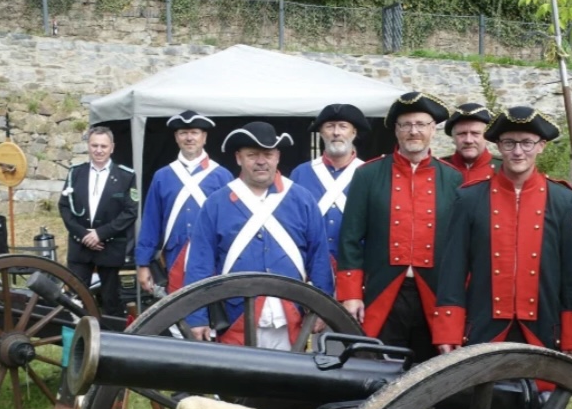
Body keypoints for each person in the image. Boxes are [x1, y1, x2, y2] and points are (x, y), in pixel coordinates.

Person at [432, 106, 572, 409]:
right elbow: (453, 267)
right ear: (499, 147)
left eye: (526, 143)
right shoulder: (470, 198)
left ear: (541, 147)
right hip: (487, 324)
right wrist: (448, 328)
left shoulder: (564, 199)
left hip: (543, 327)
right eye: (509, 143)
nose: (518, 151)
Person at [337, 91, 462, 362]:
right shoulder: (368, 175)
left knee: (430, 372)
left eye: (420, 125)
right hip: (382, 290)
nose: (413, 132)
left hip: (434, 293)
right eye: (406, 125)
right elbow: (350, 237)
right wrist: (351, 294)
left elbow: (461, 247)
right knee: (376, 369)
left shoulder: (453, 179)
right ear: (396, 130)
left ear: (433, 129)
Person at [184, 122, 333, 349]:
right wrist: (197, 316)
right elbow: (200, 263)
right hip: (236, 316)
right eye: (252, 155)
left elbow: (319, 258)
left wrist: (323, 309)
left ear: (277, 157)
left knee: (290, 381)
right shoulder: (216, 203)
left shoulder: (302, 199)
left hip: (291, 313)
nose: (261, 161)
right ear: (238, 158)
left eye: (268, 154)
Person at [135, 110, 233, 295]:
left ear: (204, 137)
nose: (189, 138)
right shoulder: (162, 177)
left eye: (194, 132)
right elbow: (151, 223)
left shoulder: (222, 176)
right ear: (176, 138)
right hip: (174, 257)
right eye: (183, 133)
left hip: (212, 256)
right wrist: (143, 264)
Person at [58, 126, 138, 318]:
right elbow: (64, 207)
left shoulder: (126, 176)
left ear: (112, 148)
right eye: (94, 145)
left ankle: (114, 342)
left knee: (111, 300)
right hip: (80, 246)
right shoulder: (75, 173)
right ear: (88, 146)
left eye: (103, 146)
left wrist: (100, 234)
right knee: (74, 298)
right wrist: (83, 234)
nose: (99, 150)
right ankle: (77, 339)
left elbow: (130, 211)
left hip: (110, 247)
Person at [289, 103, 370, 264]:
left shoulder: (369, 173)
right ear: (321, 132)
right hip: (310, 264)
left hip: (355, 264)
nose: (336, 133)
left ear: (353, 132)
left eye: (343, 126)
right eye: (330, 126)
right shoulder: (301, 173)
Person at [441, 102, 498, 184]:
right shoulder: (440, 169)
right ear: (453, 137)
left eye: (475, 133)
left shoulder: (504, 168)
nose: (468, 140)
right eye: (462, 134)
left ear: (486, 136)